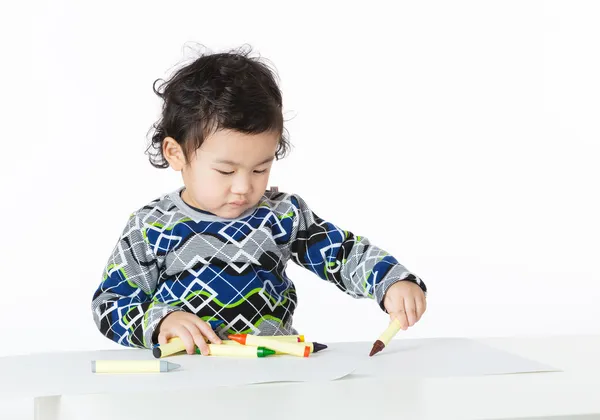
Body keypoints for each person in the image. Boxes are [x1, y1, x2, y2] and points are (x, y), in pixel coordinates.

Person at [91, 46, 427, 356]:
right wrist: (159, 322)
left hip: (273, 375)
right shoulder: (152, 225)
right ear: (175, 153)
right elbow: (110, 304)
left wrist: (391, 281)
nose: (243, 187)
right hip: (186, 380)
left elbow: (342, 252)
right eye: (225, 171)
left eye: (259, 168)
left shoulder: (281, 214)